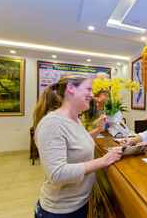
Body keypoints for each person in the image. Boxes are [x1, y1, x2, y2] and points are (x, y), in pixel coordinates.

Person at [33, 75, 122, 218]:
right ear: (70, 89)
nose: (92, 95)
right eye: (88, 89)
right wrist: (103, 161)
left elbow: (79, 143)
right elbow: (57, 174)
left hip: (79, 204)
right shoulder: (52, 124)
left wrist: (98, 130)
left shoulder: (74, 119)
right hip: (60, 211)